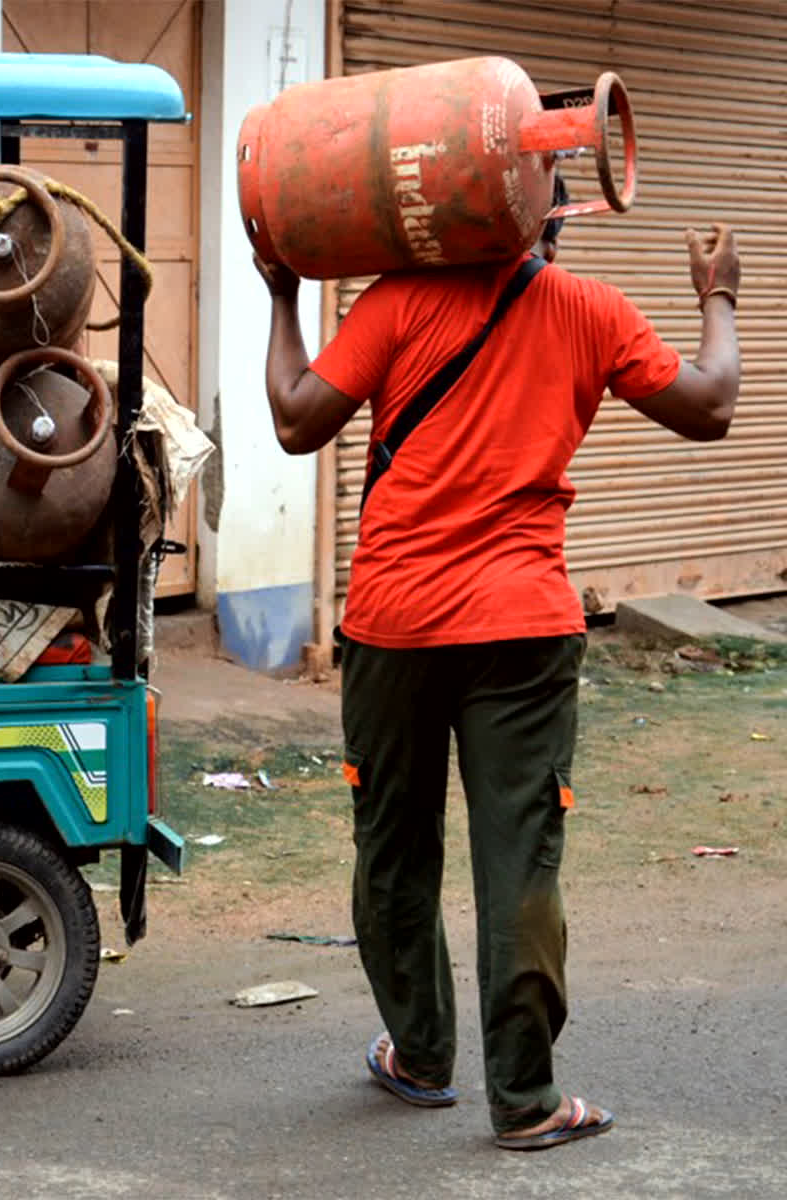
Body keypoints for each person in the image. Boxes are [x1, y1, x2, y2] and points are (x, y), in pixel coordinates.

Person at [253, 178, 741, 1150]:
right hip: (522, 629)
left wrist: (280, 293)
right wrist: (715, 293)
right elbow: (712, 406)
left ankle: (420, 1053)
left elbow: (296, 419)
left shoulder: (393, 299)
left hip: (392, 624)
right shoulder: (590, 310)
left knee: (392, 844)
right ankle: (523, 1100)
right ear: (545, 221)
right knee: (518, 854)